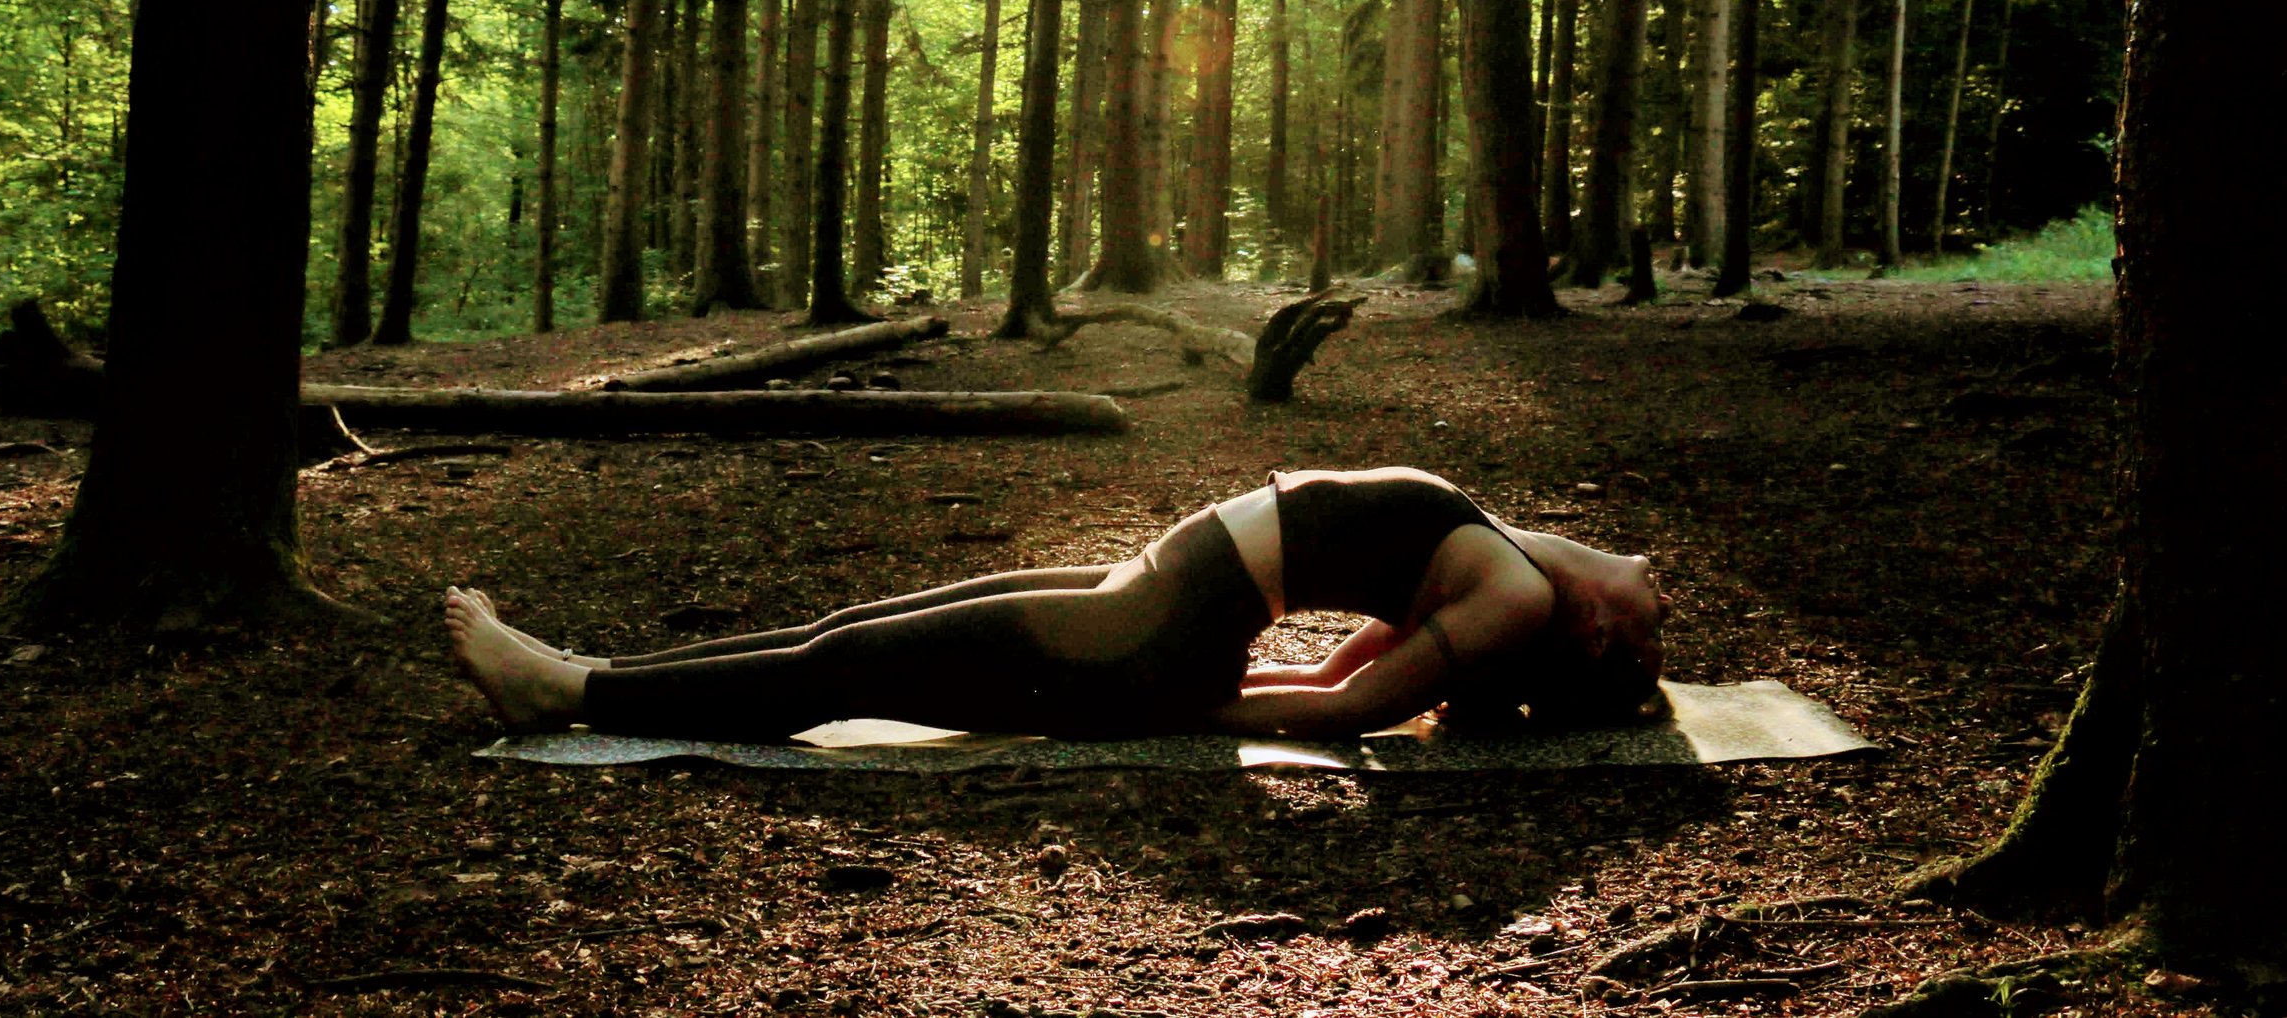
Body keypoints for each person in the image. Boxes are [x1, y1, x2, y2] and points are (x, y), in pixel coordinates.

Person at [445, 465, 1668, 742]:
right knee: (850, 637)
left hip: (1157, 637)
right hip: (1159, 605)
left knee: (852, 668)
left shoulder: (1519, 596)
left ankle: (569, 694)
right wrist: (1257, 686)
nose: (1654, 593)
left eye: (1645, 631)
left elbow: (1360, 706)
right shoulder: (1519, 563)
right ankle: (598, 669)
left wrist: (1204, 710)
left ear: (1596, 631)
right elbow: (1358, 659)